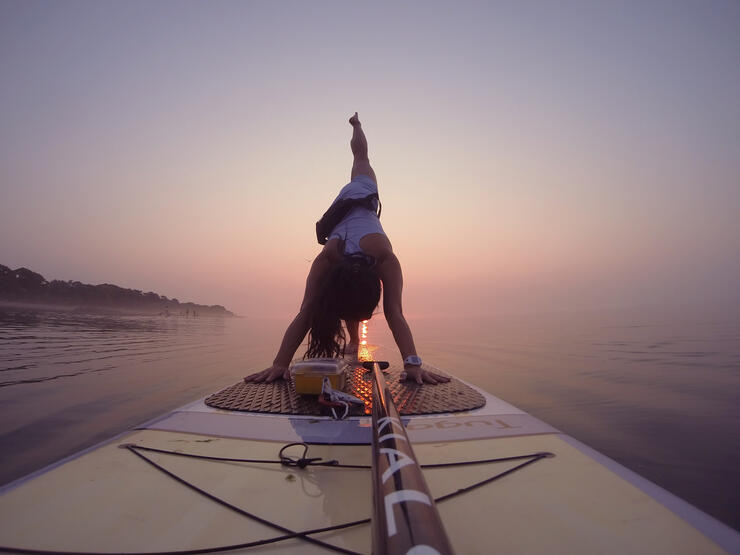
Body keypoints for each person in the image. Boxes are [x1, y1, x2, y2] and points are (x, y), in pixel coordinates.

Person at [244, 113, 449, 385]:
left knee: (361, 158)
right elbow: (395, 312)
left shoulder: (350, 258)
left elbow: (306, 311)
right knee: (360, 158)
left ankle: (357, 125)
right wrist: (278, 364)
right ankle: (356, 125)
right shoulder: (349, 258)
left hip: (352, 200)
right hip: (350, 200)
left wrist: (413, 364)